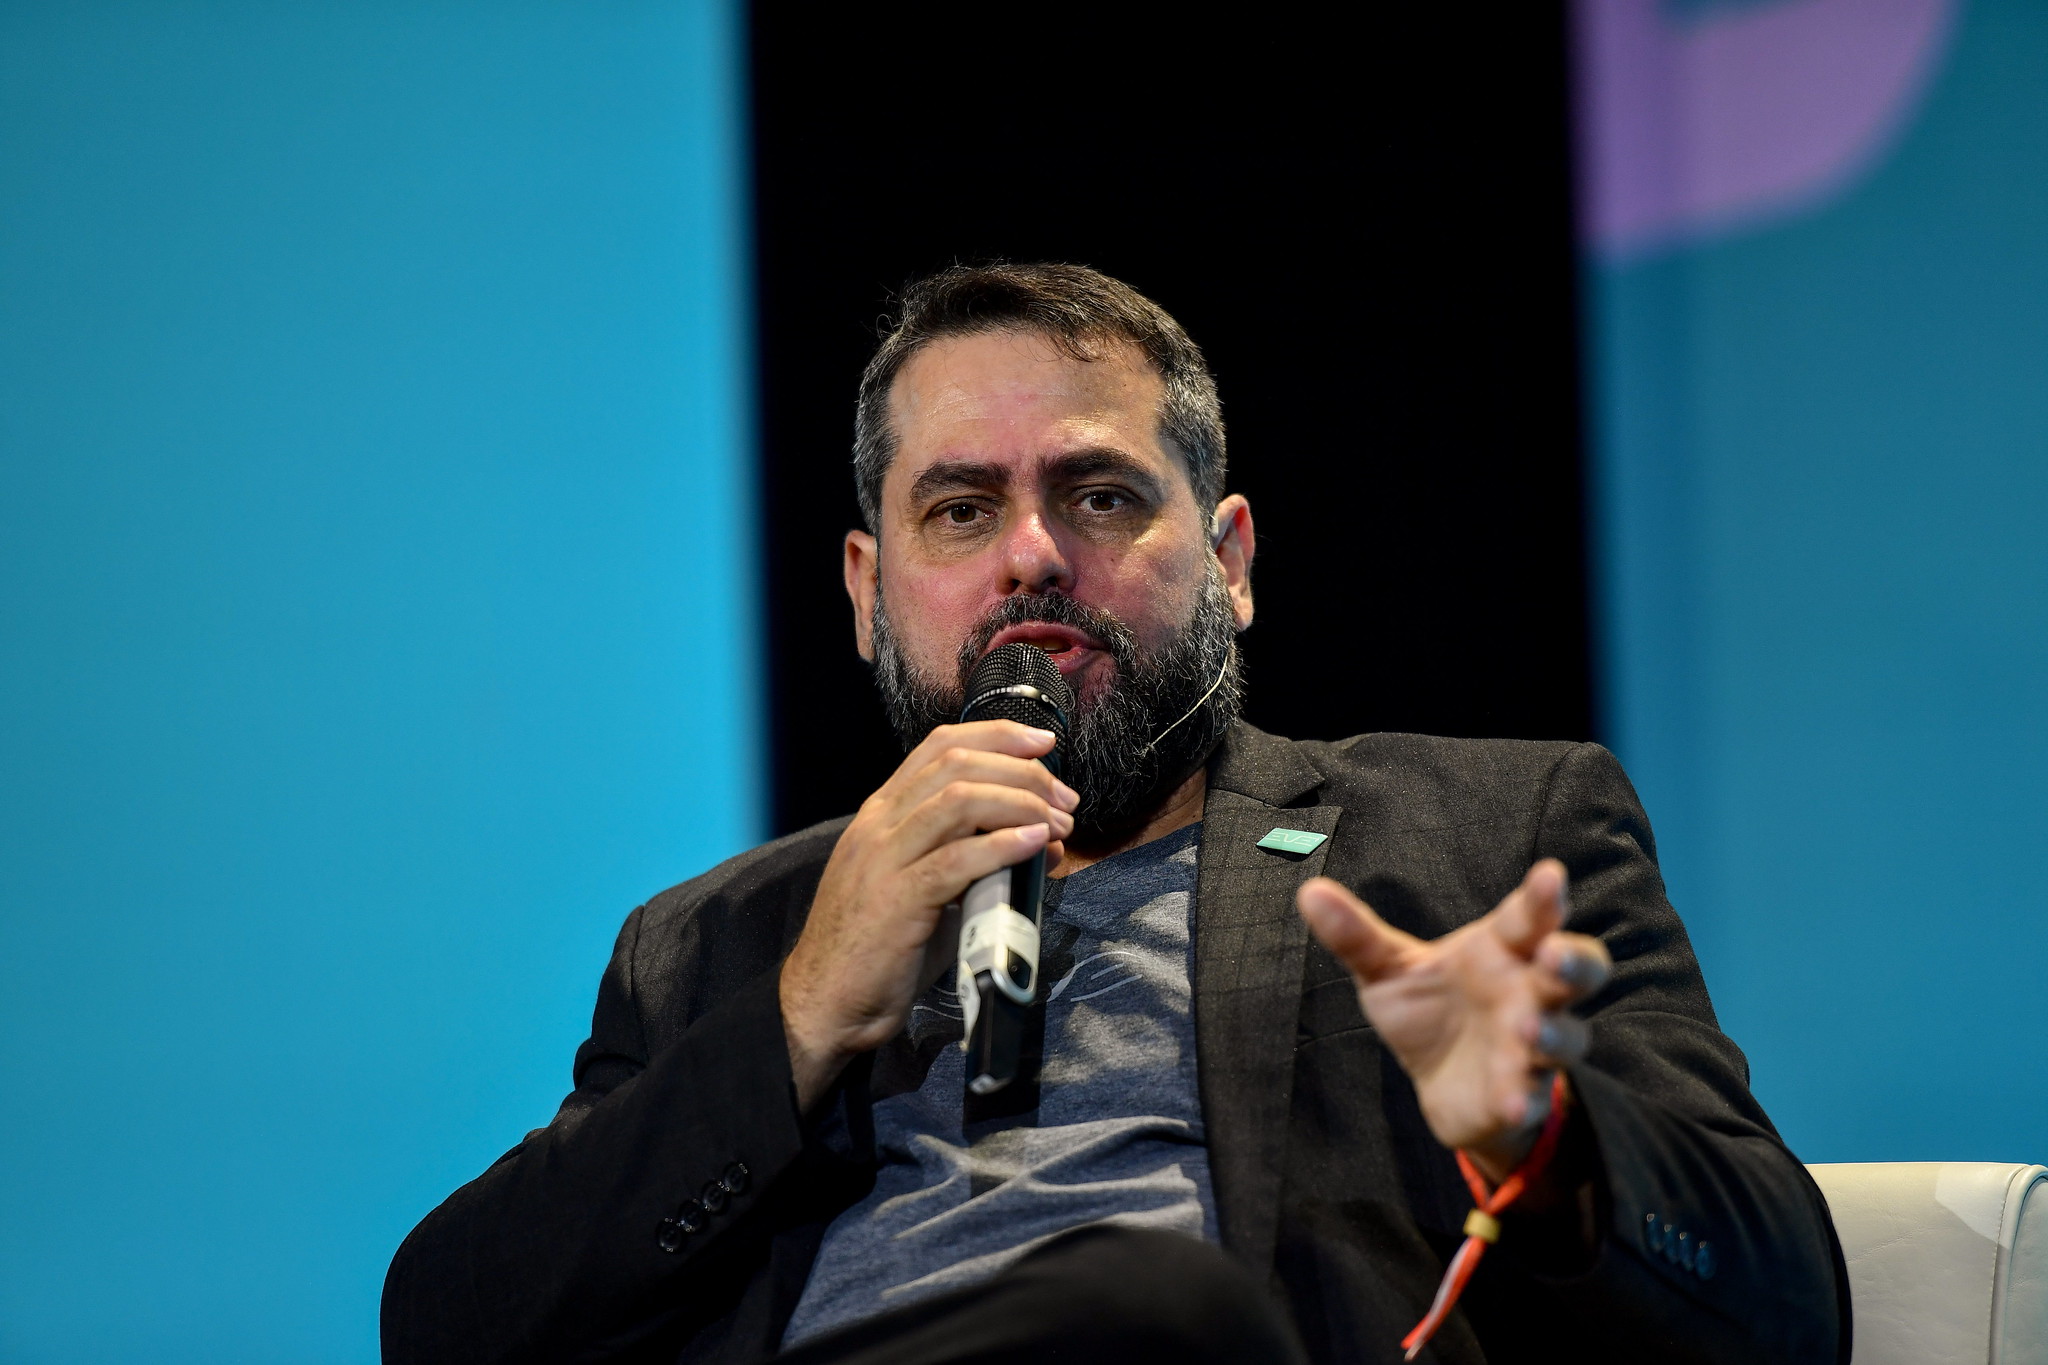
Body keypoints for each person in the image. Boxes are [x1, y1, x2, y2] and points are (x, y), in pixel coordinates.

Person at [382, 263, 1849, 1364]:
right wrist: (801, 1017)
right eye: (959, 509)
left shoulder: (1482, 834)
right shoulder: (724, 938)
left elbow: (1790, 1301)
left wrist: (1544, 1142)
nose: (1030, 554)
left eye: (1096, 497)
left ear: (1230, 561)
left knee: (1147, 1307)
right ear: (864, 588)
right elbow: (446, 1323)